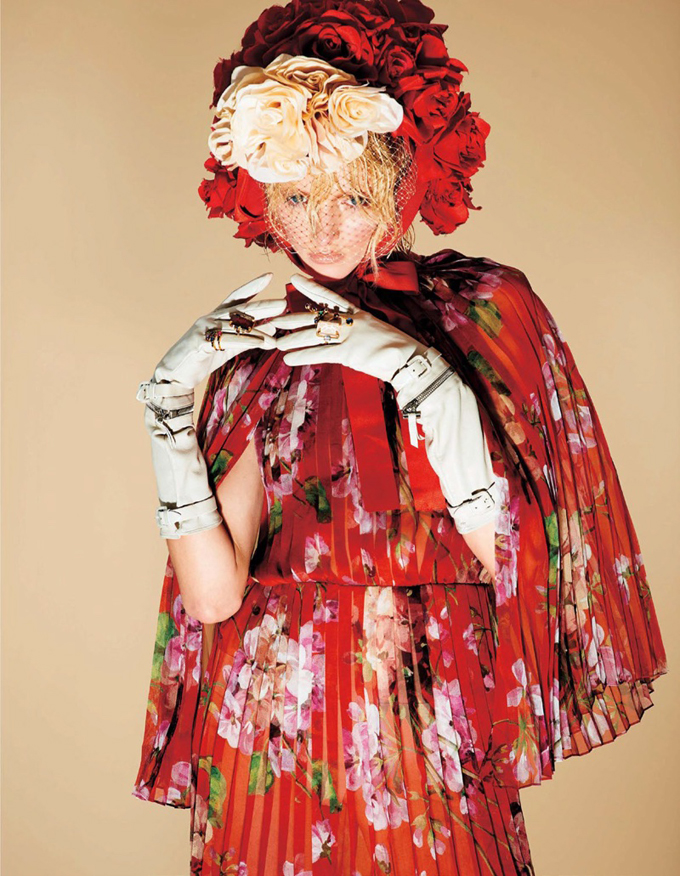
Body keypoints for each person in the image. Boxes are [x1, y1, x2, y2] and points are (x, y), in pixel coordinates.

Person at [132, 2, 667, 874]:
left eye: (352, 197)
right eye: (297, 197)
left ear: (409, 174)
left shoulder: (483, 311)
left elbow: (520, 558)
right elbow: (216, 597)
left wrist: (419, 374)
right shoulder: (263, 343)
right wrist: (165, 410)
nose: (322, 228)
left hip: (430, 703)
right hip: (272, 722)